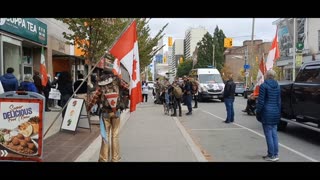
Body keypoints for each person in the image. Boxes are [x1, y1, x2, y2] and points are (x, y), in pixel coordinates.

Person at [87, 69, 129, 162]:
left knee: (105, 136)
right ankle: (115, 158)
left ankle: (104, 159)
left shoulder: (100, 83)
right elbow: (127, 88)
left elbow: (94, 98)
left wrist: (88, 108)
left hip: (105, 112)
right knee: (115, 135)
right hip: (116, 111)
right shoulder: (117, 80)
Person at [256, 69, 281, 162]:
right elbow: (279, 101)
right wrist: (278, 112)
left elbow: (261, 101)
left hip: (266, 113)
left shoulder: (264, 86)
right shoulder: (277, 86)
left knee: (268, 134)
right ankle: (275, 153)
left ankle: (271, 155)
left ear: (267, 75)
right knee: (274, 133)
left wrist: (258, 111)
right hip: (275, 112)